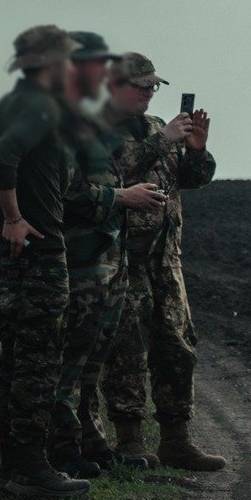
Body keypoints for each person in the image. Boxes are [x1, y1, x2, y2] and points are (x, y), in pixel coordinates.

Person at [0, 25, 113, 500]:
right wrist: (10, 216)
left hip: (13, 263)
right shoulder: (42, 105)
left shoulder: (1, 108)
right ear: (55, 64)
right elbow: (5, 155)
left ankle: (14, 466)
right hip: (39, 256)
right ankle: (30, 469)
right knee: (38, 362)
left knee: (14, 360)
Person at [99, 53, 223, 471]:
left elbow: (190, 180)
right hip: (120, 259)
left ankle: (176, 438)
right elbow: (111, 173)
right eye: (142, 86)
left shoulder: (157, 128)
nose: (149, 93)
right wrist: (164, 140)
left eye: (154, 86)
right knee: (126, 349)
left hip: (165, 258)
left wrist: (196, 150)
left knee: (177, 343)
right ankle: (129, 440)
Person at [52, 32, 164, 477]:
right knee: (70, 361)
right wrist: (120, 197)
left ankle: (90, 441)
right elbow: (65, 191)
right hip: (80, 259)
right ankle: (62, 450)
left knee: (90, 362)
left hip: (107, 260)